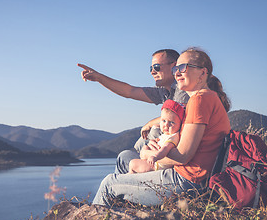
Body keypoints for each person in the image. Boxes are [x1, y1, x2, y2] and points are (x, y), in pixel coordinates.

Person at [92, 47, 231, 207]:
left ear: (202, 73)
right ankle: (125, 208)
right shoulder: (202, 98)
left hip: (187, 181)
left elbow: (183, 156)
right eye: (176, 68)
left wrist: (147, 154)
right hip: (186, 176)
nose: (176, 73)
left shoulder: (199, 99)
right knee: (125, 158)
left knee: (109, 184)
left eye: (182, 68)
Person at [78, 49, 189, 174]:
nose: (153, 72)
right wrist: (99, 78)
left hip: (169, 158)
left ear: (174, 66)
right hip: (157, 152)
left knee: (125, 157)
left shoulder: (182, 90)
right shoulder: (163, 91)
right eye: (151, 68)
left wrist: (150, 123)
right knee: (128, 155)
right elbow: (129, 91)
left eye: (157, 67)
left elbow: (183, 115)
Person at [128, 99, 184, 174]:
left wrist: (155, 157)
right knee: (143, 148)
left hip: (157, 165)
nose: (166, 125)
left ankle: (131, 174)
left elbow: (165, 149)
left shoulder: (173, 137)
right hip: (153, 160)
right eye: (164, 121)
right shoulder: (167, 134)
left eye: (172, 122)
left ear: (179, 124)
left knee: (132, 163)